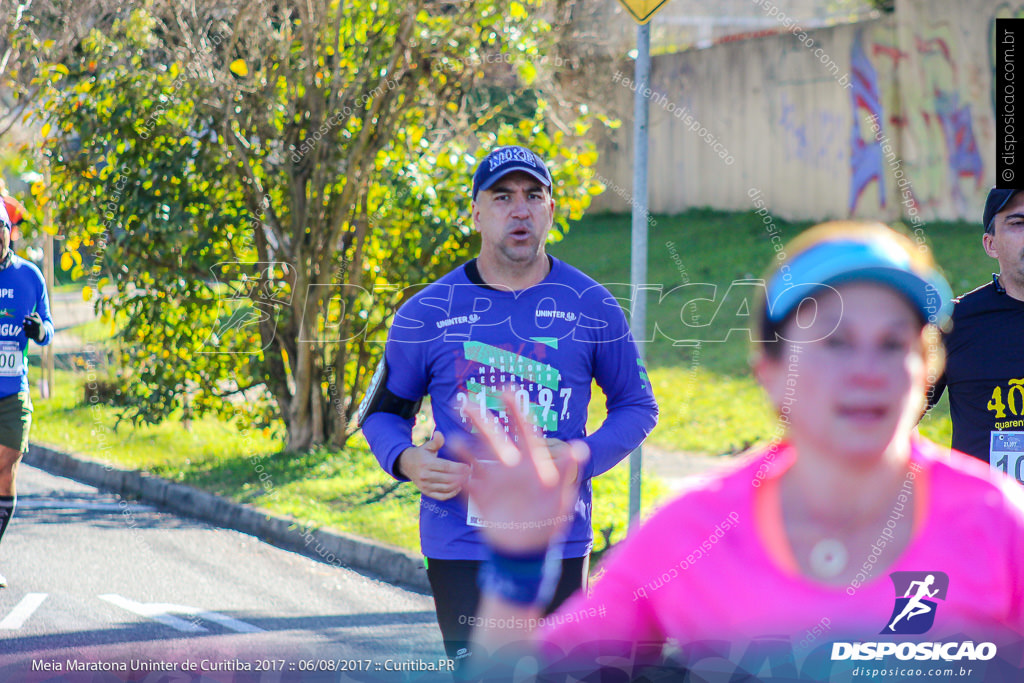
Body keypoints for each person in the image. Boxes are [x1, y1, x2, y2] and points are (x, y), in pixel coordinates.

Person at [456, 222, 1024, 680]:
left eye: (893, 343)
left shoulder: (1001, 524)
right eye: (834, 342)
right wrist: (518, 566)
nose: (866, 371)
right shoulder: (692, 535)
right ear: (770, 375)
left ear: (926, 372)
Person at [358, 145, 658, 666]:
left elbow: (637, 406)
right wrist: (408, 461)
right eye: (502, 197)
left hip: (558, 539)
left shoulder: (591, 305)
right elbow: (382, 413)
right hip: (460, 541)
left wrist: (577, 459)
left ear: (549, 210)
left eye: (532, 195)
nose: (519, 209)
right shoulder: (426, 312)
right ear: (475, 213)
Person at [927, 188, 1024, 471]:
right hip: (986, 511)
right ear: (990, 244)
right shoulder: (953, 323)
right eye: (1018, 224)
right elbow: (893, 415)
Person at [0, 185, 53, 589]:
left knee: (7, 466)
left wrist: (39, 330)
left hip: (12, 391)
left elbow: (48, 329)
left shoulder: (29, 276)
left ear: (8, 233)